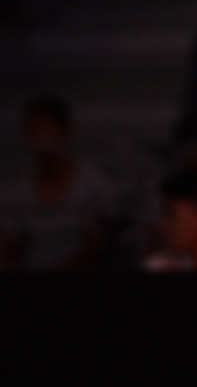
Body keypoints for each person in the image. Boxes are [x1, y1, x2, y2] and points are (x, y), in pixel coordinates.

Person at [0, 96, 116, 271]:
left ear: (65, 131)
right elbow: (10, 249)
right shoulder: (15, 191)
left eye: (44, 127)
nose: (38, 135)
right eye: (32, 128)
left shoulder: (93, 185)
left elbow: (98, 245)